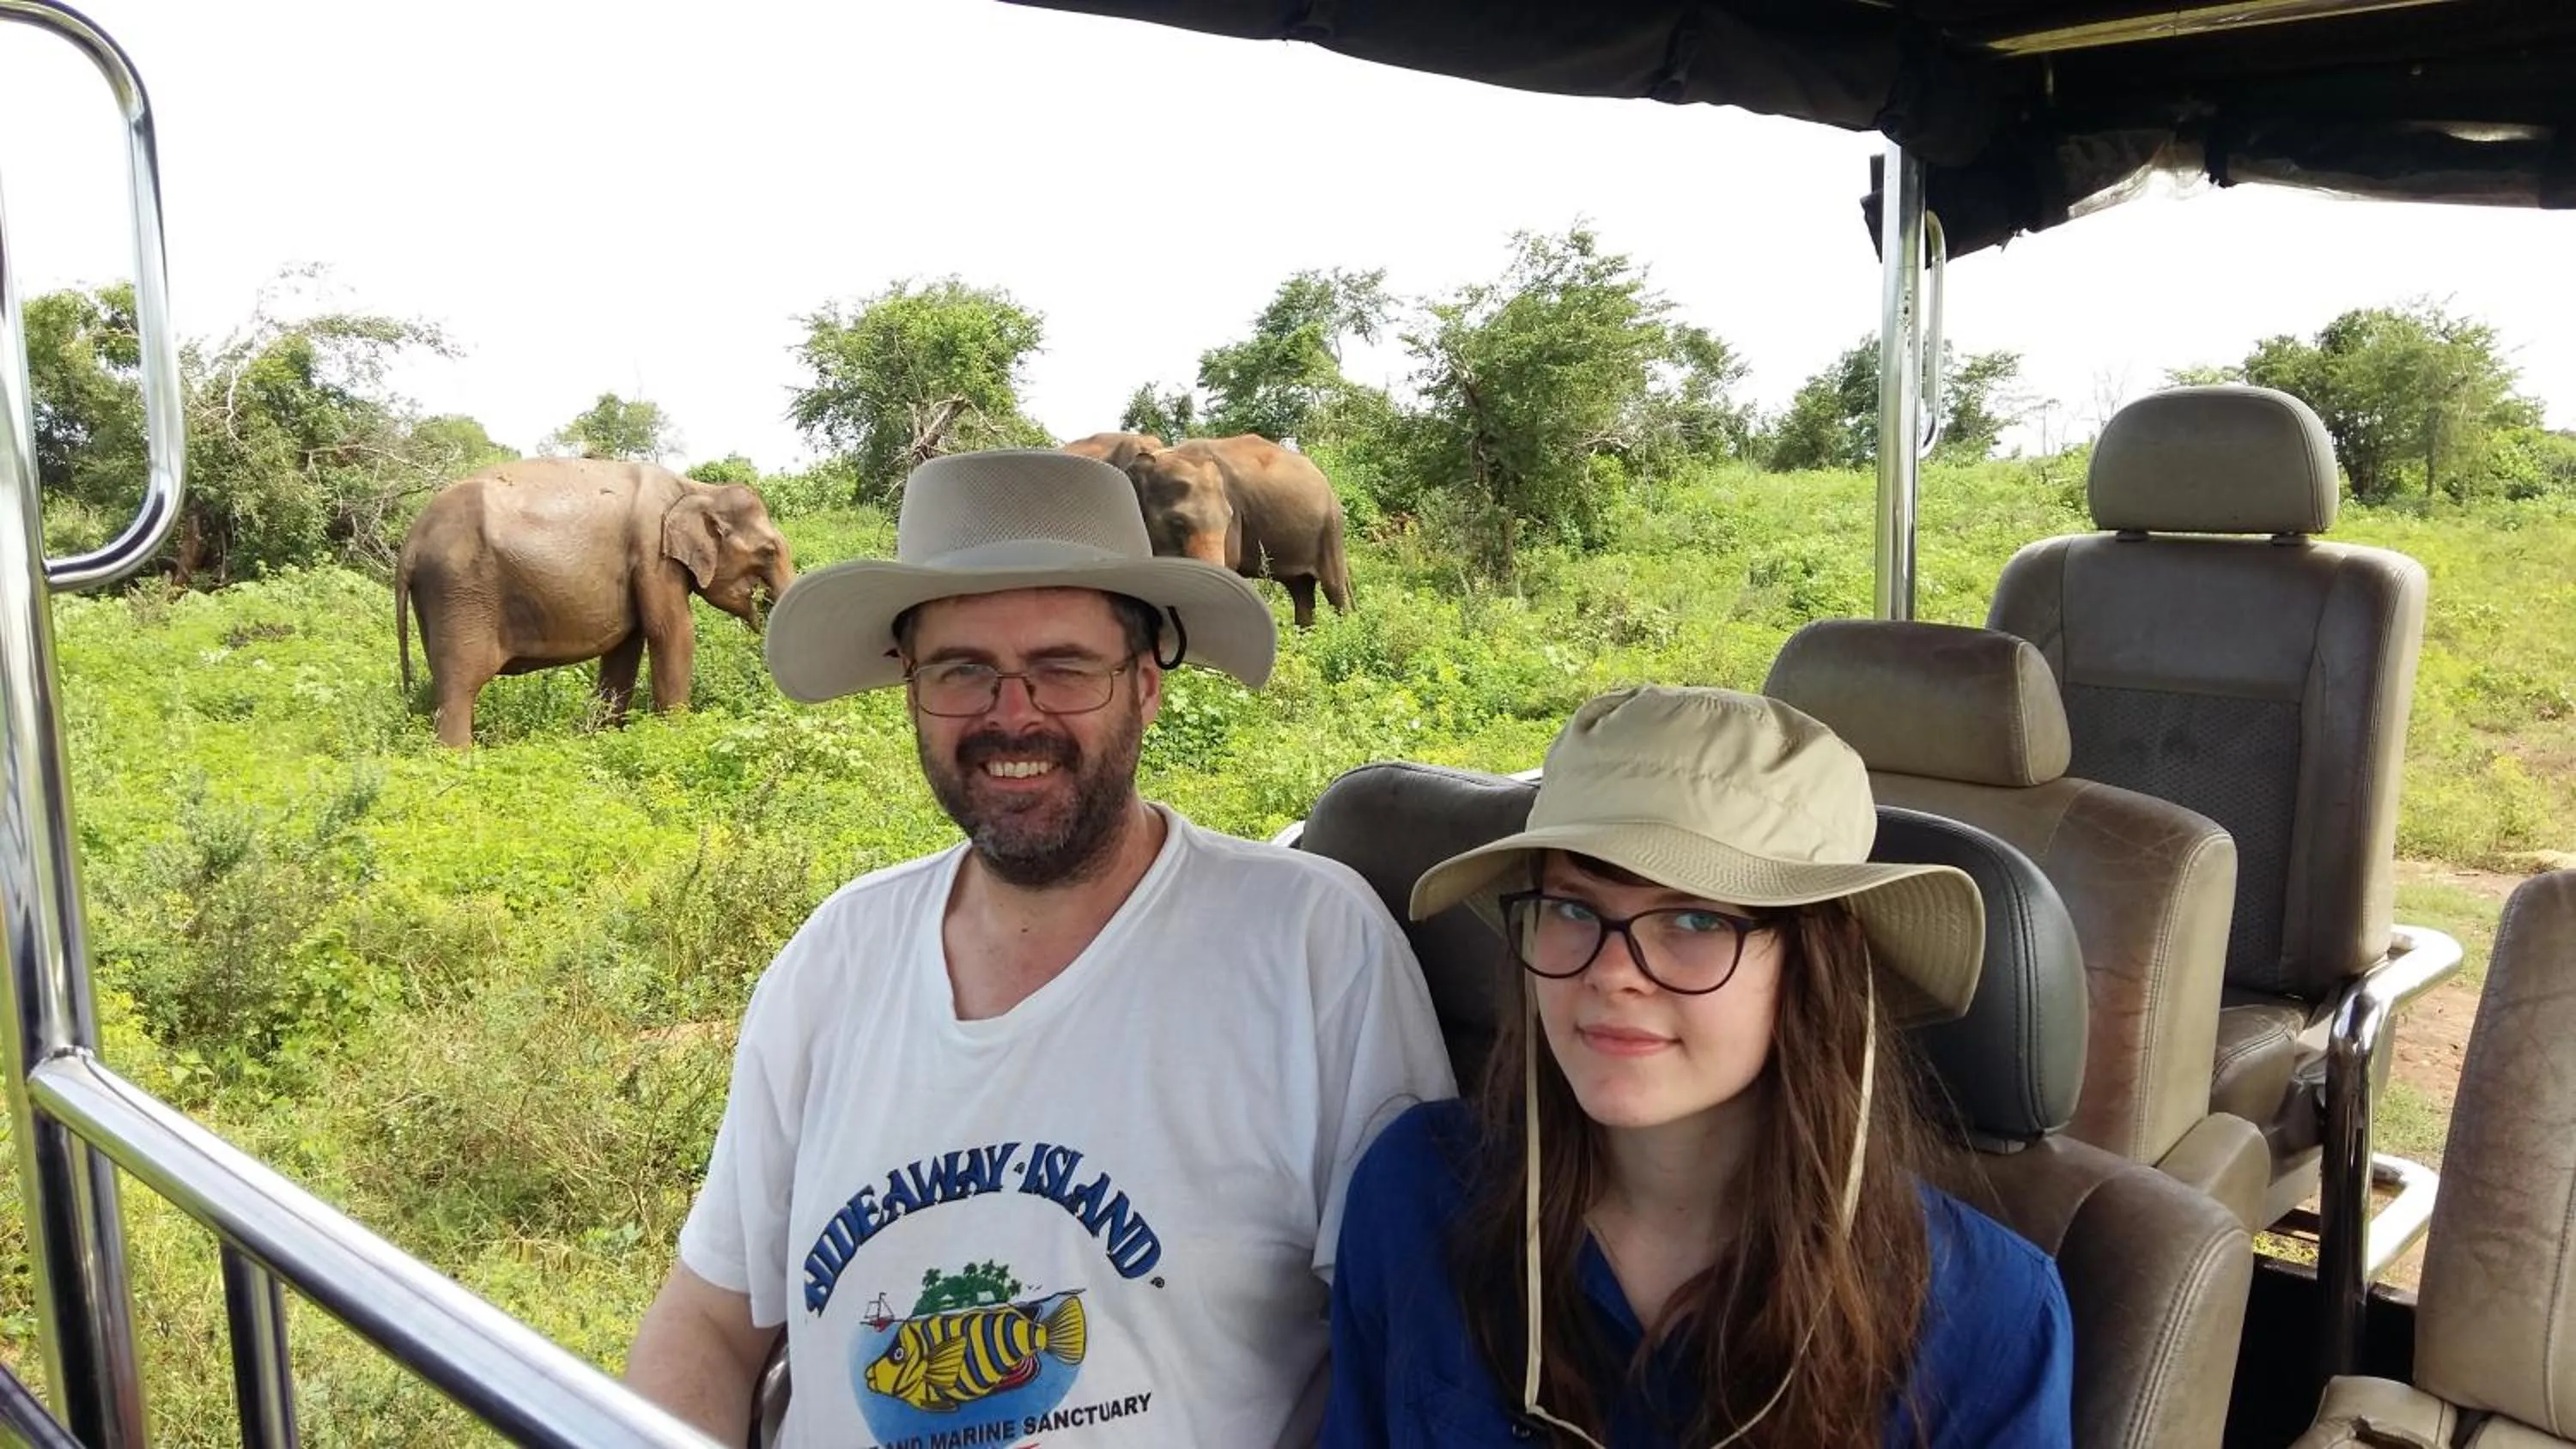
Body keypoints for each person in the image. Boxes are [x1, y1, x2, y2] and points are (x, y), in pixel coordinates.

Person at [625, 448, 1455, 1448]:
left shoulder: (1314, 947)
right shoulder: (834, 956)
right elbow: (712, 1321)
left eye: (1063, 667)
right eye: (962, 669)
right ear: (910, 691)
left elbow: (1421, 1348)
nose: (1011, 714)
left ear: (1144, 687)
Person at [1321, 685, 2075, 1447]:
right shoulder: (1415, 1192)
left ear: (1813, 969)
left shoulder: (1987, 1318)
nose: (1613, 973)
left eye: (1695, 918)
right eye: (1575, 908)